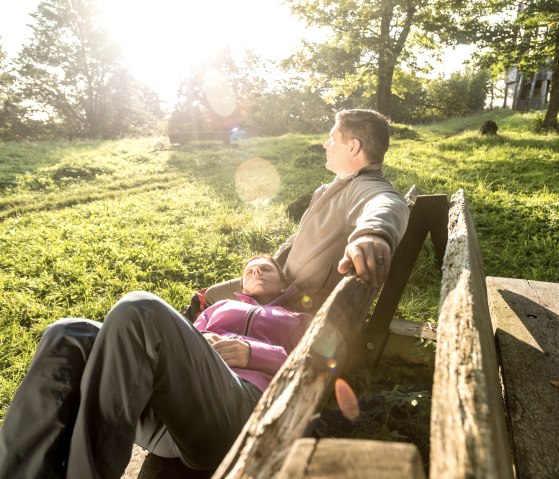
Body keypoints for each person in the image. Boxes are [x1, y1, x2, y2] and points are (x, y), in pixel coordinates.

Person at [0, 255, 312, 479]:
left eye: (265, 267)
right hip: (168, 415)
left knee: (141, 309)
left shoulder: (296, 319)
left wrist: (252, 352)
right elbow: (178, 340)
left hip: (237, 412)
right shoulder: (219, 306)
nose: (255, 269)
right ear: (239, 283)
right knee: (69, 333)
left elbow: (313, 362)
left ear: (281, 279)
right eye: (249, 269)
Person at [206, 109, 410, 310]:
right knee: (210, 295)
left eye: (332, 139)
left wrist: (374, 234)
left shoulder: (364, 186)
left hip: (297, 304)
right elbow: (299, 237)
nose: (325, 144)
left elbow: (388, 201)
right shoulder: (326, 190)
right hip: (282, 282)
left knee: (209, 301)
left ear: (353, 147)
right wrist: (274, 265)